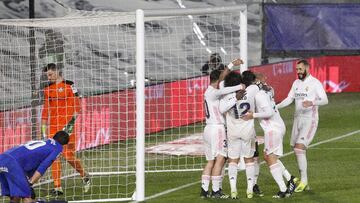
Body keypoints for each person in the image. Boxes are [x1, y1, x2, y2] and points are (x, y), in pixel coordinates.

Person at [276, 59, 328, 192]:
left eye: (300, 69)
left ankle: (304, 181)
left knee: (299, 148)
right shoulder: (296, 83)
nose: (298, 72)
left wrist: (311, 103)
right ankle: (305, 182)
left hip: (310, 119)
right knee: (296, 149)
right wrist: (275, 107)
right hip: (297, 119)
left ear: (307, 68)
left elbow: (325, 100)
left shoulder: (315, 83)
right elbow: (289, 99)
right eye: (297, 69)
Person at [242, 73, 297, 198]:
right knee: (268, 157)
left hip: (273, 128)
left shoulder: (260, 95)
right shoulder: (265, 91)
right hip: (275, 127)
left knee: (270, 158)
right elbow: (271, 90)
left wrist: (253, 115)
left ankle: (283, 189)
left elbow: (269, 112)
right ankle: (290, 179)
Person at [42, 63, 91, 196]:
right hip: (53, 127)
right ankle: (58, 187)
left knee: (68, 156)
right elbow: (46, 109)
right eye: (47, 75)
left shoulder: (70, 85)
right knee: (54, 156)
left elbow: (78, 106)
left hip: (67, 128)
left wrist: (71, 123)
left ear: (57, 72)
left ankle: (84, 175)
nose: (49, 77)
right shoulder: (47, 89)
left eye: (51, 74)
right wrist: (43, 128)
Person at [201, 59, 244, 199]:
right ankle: (215, 191)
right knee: (221, 158)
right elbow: (226, 88)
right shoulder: (213, 92)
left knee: (210, 161)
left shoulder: (209, 91)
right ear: (217, 79)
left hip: (207, 129)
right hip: (217, 129)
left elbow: (223, 75)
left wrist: (232, 64)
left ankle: (204, 190)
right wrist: (239, 86)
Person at [219, 70, 259, 199]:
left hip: (233, 131)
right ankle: (249, 190)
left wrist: (234, 98)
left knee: (233, 160)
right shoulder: (252, 90)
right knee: (249, 160)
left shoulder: (227, 95)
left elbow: (222, 109)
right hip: (248, 130)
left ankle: (233, 189)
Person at [0, 131, 70, 203]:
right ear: (64, 145)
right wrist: (30, 183)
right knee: (27, 196)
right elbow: (43, 167)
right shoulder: (58, 148)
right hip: (13, 163)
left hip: (3, 158)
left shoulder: (45, 141)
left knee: (16, 196)